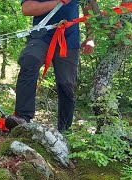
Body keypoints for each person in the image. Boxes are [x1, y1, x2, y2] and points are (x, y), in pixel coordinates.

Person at [5, 0, 94, 132]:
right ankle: (22, 117)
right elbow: (27, 9)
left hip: (69, 40)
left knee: (67, 83)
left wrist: (91, 37)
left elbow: (90, 9)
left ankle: (65, 130)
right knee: (29, 60)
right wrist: (59, 1)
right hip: (41, 36)